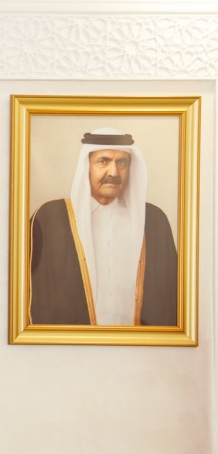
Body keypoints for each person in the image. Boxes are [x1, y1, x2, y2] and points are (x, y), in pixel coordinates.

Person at [30, 127, 177, 326]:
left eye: (122, 162)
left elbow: (171, 296)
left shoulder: (154, 220)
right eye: (103, 161)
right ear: (86, 166)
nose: (114, 172)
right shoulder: (51, 218)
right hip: (73, 349)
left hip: (138, 348)